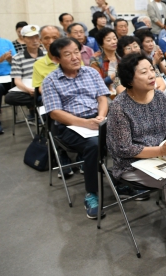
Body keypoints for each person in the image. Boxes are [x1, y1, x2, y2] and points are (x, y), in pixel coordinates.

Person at [106, 53, 166, 257]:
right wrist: (159, 151)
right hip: (131, 164)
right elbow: (124, 149)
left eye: (151, 70)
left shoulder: (158, 97)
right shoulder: (120, 107)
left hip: (158, 156)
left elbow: (164, 128)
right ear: (129, 79)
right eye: (144, 72)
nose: (151, 75)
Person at [43, 38, 111, 219]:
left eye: (76, 52)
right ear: (56, 59)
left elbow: (102, 98)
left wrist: (101, 116)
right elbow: (55, 113)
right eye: (68, 54)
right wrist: (85, 123)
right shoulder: (51, 81)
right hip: (70, 126)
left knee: (126, 134)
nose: (74, 57)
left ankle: (120, 179)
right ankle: (92, 193)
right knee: (95, 144)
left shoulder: (90, 72)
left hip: (97, 119)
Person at [4, 25, 43, 124]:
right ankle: (40, 108)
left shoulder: (47, 54)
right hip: (28, 88)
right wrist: (28, 90)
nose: (34, 40)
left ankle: (38, 110)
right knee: (9, 97)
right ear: (23, 39)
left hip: (44, 87)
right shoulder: (18, 57)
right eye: (30, 38)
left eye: (37, 37)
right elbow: (17, 80)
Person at [32, 25, 61, 93]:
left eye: (55, 38)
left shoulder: (73, 58)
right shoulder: (38, 64)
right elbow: (40, 88)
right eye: (46, 38)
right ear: (40, 41)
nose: (51, 42)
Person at [90, 27, 119, 93]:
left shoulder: (121, 55)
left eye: (115, 38)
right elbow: (98, 83)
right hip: (105, 92)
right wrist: (115, 75)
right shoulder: (96, 59)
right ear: (101, 44)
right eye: (108, 40)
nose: (113, 42)